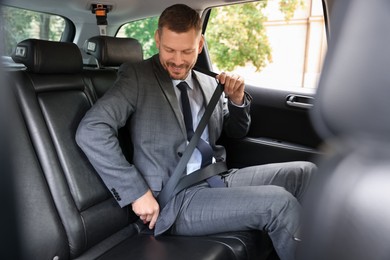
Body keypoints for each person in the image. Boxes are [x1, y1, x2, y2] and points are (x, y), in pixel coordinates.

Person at [76, 4, 316, 260]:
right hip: (176, 199)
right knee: (278, 203)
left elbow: (235, 132)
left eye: (187, 51)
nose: (178, 60)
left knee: (306, 172)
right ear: (157, 39)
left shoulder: (208, 82)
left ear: (200, 45)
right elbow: (92, 130)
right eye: (169, 49)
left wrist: (236, 101)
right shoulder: (137, 77)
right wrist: (136, 192)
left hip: (217, 178)